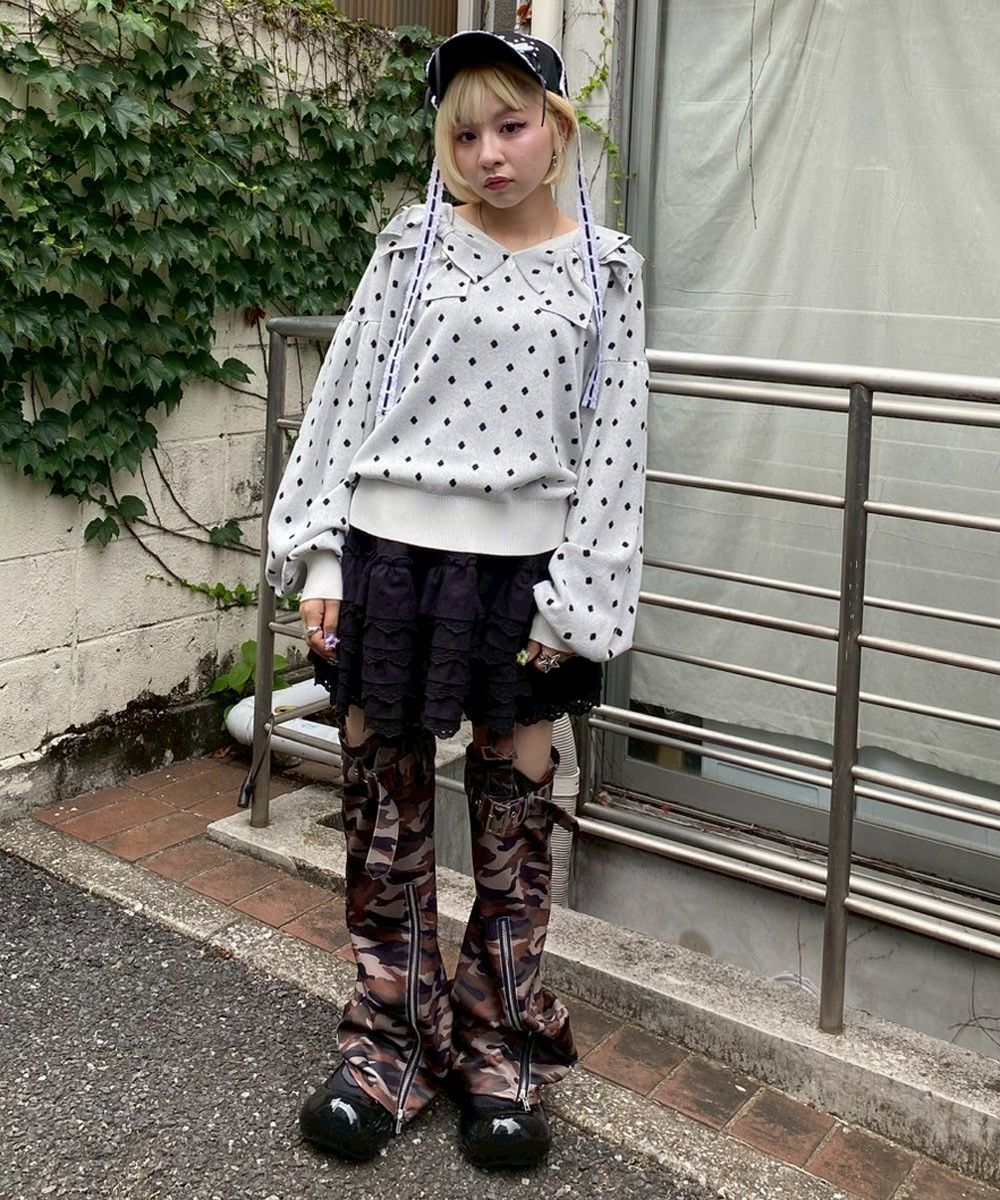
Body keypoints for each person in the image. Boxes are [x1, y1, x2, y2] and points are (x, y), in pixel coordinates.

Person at [265, 29, 648, 1170]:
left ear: (557, 128)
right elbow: (342, 399)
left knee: (512, 818)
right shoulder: (410, 245)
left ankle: (499, 1046)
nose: (489, 153)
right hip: (390, 558)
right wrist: (322, 558)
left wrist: (576, 601)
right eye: (465, 132)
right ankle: (389, 1041)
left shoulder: (607, 270)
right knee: (383, 814)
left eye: (511, 125)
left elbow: (617, 444)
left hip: (524, 577)